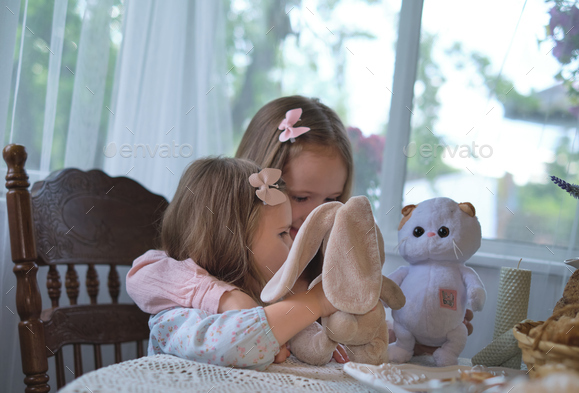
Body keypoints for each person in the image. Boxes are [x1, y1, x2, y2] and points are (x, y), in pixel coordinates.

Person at [127, 96, 473, 363]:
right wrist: (230, 298)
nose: (319, 215)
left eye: (334, 199)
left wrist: (419, 338)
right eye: (302, 197)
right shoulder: (189, 288)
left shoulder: (321, 271)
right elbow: (150, 272)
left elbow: (351, 346)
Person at [145, 157, 338, 370]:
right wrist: (315, 301)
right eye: (283, 233)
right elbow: (233, 344)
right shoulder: (176, 316)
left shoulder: (263, 300)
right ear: (231, 244)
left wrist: (316, 340)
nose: (293, 246)